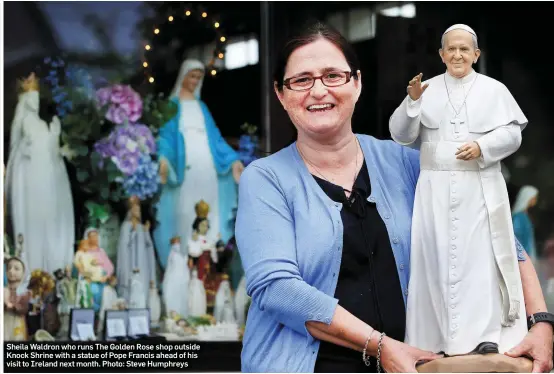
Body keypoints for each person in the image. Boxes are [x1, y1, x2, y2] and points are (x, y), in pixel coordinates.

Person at [235, 21, 553, 373]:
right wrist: (381, 345)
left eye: (332, 76)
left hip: (415, 365)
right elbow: (277, 289)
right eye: (301, 80)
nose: (318, 90)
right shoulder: (264, 180)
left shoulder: (406, 162)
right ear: (281, 94)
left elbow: (494, 229)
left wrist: (540, 321)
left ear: (356, 83)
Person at [389, 24, 530, 356]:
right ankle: (434, 338)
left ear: (476, 54)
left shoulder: (494, 90)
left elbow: (513, 135)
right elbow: (402, 134)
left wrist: (483, 146)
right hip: (434, 191)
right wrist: (412, 103)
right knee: (435, 259)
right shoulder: (425, 89)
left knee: (479, 260)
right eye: (451, 49)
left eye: (464, 49)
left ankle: (485, 335)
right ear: (441, 54)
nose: (457, 55)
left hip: (478, 188)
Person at [154, 59, 244, 270]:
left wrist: (233, 160)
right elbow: (165, 138)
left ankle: (208, 265)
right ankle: (184, 262)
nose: (194, 81)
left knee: (210, 210)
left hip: (207, 165)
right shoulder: (171, 106)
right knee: (185, 209)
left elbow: (216, 139)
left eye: (198, 77)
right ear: (183, 77)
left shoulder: (201, 107)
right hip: (186, 166)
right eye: (192, 76)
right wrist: (163, 159)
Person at [5, 72, 75, 274]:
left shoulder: (50, 120)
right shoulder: (24, 117)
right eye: (27, 79)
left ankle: (55, 271)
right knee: (33, 223)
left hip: (51, 177)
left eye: (34, 79)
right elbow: (17, 146)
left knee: (52, 220)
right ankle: (33, 272)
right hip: (32, 178)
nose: (32, 81)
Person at [512, 185, 539, 260]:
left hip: (527, 255)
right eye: (534, 197)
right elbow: (516, 238)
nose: (535, 200)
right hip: (522, 257)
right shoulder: (519, 217)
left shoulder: (525, 216)